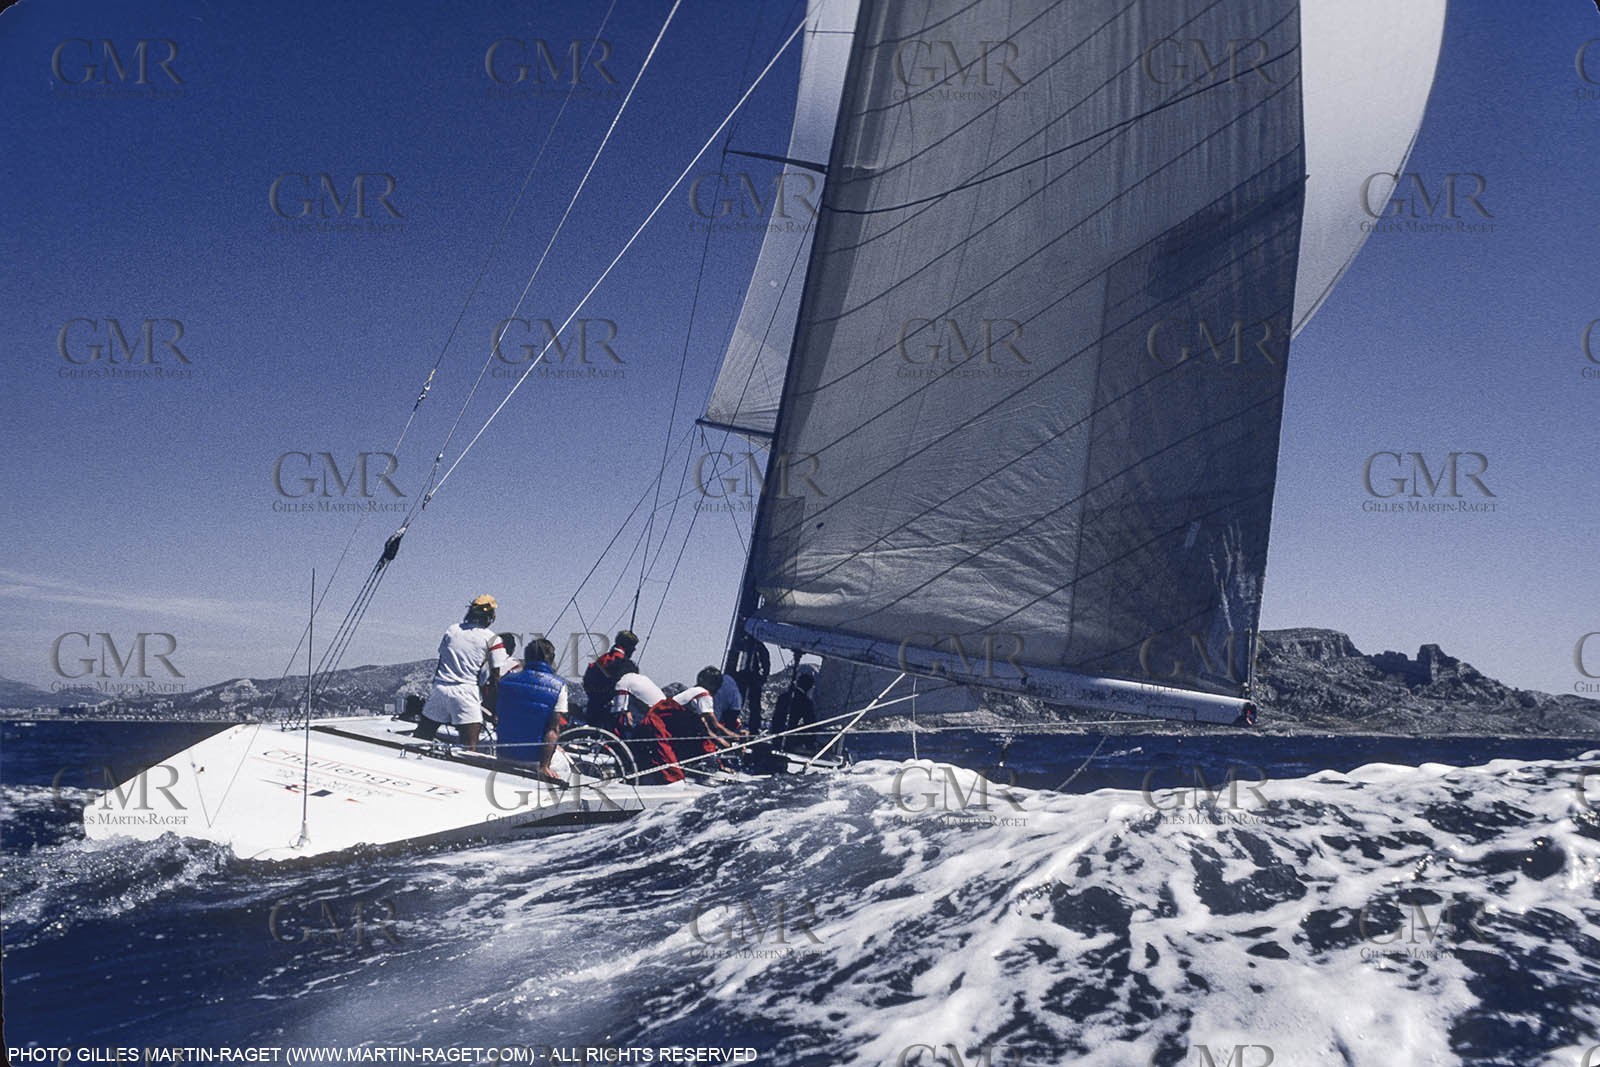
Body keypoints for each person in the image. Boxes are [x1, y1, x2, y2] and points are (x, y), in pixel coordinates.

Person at [414, 595, 510, 751]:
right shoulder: (492, 639)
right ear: (491, 616)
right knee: (469, 748)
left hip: (441, 687)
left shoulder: (452, 630)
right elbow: (496, 678)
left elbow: (441, 660)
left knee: (421, 737)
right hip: (466, 692)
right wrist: (496, 710)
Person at [637, 666, 743, 783]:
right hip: (658, 724)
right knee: (669, 766)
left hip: (661, 723)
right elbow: (714, 724)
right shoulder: (704, 694)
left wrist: (725, 743)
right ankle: (673, 782)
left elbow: (705, 728)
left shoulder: (694, 691)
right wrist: (734, 739)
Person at [496, 638, 569, 784]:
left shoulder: (506, 680)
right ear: (551, 658)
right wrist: (544, 766)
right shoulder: (559, 686)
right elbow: (553, 731)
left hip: (503, 755)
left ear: (527, 657)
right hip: (533, 761)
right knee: (565, 763)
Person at [582, 630, 639, 732]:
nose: (634, 649)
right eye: (633, 646)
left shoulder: (600, 660)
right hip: (613, 715)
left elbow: (586, 682)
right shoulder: (626, 665)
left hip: (593, 709)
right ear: (628, 646)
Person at [770, 663, 818, 751]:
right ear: (810, 687)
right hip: (791, 737)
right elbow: (810, 722)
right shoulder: (806, 702)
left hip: (775, 733)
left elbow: (776, 717)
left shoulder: (783, 696)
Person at [479, 632, 521, 726]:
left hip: (484, 711)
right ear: (512, 649)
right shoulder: (516, 664)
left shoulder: (485, 664)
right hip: (506, 713)